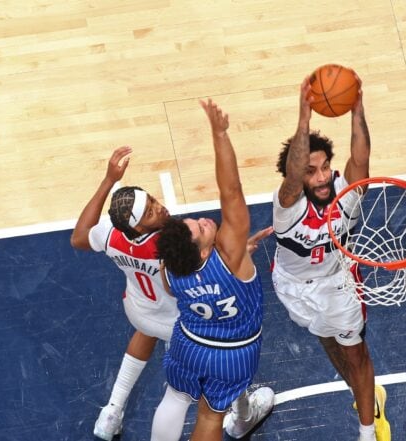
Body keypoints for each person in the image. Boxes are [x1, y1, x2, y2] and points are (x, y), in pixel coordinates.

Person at [270, 76, 391, 441]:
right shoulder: (287, 207)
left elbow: (361, 157)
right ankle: (364, 394)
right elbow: (294, 174)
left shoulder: (346, 191)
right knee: (325, 338)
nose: (322, 177)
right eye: (311, 171)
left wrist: (357, 109)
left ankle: (368, 429)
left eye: (324, 167)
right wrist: (303, 118)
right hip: (293, 287)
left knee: (357, 356)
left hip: (339, 285)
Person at [150, 99, 274, 441]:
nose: (204, 221)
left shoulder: (170, 270)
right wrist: (220, 133)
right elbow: (231, 190)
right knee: (209, 416)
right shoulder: (229, 254)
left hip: (188, 343)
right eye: (200, 229)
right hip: (233, 354)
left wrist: (239, 255)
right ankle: (241, 419)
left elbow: (189, 274)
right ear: (204, 250)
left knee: (175, 397)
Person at [70, 146, 178, 440]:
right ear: (139, 227)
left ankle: (112, 412)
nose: (159, 208)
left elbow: (79, 238)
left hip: (140, 310)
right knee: (221, 353)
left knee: (146, 332)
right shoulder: (173, 242)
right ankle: (241, 411)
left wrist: (108, 180)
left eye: (152, 200)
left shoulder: (110, 233)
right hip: (176, 321)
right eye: (150, 213)